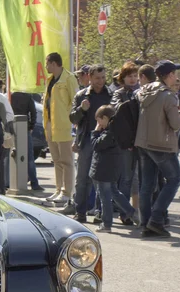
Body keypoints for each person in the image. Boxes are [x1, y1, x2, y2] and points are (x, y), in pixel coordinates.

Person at [135, 60, 180, 237]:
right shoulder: (168, 96)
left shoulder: (144, 91)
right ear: (169, 75)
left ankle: (146, 224)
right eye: (175, 74)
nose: (176, 77)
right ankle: (155, 220)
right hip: (162, 144)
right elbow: (176, 124)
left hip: (143, 143)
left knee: (147, 185)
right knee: (174, 179)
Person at [69, 65, 113, 222]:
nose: (100, 81)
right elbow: (73, 118)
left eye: (102, 78)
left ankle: (100, 212)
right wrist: (82, 109)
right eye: (97, 78)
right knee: (82, 178)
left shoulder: (110, 95)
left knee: (101, 179)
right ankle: (80, 211)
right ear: (90, 77)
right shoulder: (82, 96)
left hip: (105, 141)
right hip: (86, 139)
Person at [89, 105, 139, 232]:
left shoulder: (109, 133)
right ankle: (131, 212)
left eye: (99, 120)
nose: (98, 123)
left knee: (105, 196)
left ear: (105, 118)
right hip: (111, 168)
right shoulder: (115, 130)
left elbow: (96, 145)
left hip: (103, 168)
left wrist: (95, 132)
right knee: (114, 192)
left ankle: (106, 224)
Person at [42, 52, 79, 204]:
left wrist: (72, 121)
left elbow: (75, 100)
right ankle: (58, 190)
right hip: (50, 123)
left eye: (47, 63)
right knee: (56, 160)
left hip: (64, 124)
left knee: (67, 160)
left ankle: (67, 192)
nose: (46, 66)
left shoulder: (69, 78)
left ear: (54, 63)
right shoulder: (50, 80)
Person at [110, 61, 140, 220]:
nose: (133, 79)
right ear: (123, 78)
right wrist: (133, 102)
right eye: (130, 76)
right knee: (127, 178)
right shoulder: (118, 93)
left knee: (137, 178)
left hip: (140, 140)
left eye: (135, 76)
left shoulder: (142, 92)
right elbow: (116, 111)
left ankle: (137, 211)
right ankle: (125, 213)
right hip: (126, 142)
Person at [10, 91, 42, 190]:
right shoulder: (27, 95)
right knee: (29, 157)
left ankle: (10, 182)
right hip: (25, 127)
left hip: (11, 127)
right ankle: (34, 183)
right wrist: (31, 126)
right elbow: (33, 112)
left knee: (11, 156)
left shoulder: (10, 95)